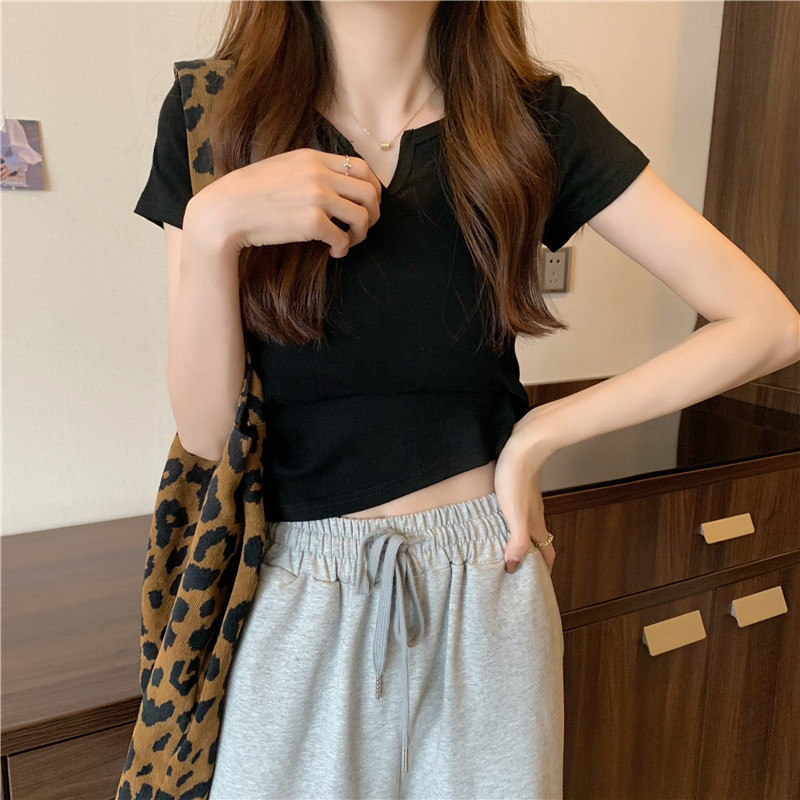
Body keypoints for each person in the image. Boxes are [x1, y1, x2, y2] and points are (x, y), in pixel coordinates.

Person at [132, 2, 800, 798]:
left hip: (488, 581)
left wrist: (539, 434)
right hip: (291, 593)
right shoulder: (213, 116)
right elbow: (208, 432)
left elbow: (768, 324)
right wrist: (214, 229)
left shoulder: (532, 124)